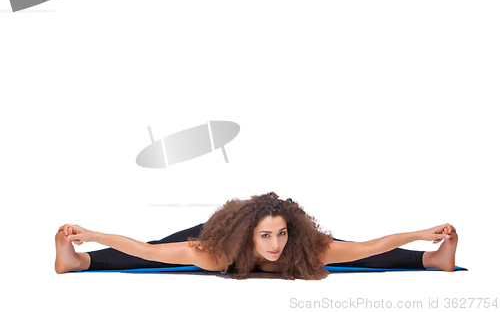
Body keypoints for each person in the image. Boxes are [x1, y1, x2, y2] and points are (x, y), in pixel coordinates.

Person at [55, 192, 458, 280]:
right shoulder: (213, 252)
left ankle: (432, 262)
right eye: (266, 236)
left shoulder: (298, 245)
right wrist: (89, 236)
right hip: (215, 235)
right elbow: (143, 250)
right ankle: (80, 262)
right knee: (161, 252)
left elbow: (368, 247)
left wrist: (425, 238)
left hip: (257, 238)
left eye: (280, 234)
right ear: (250, 236)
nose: (275, 244)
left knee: (345, 255)